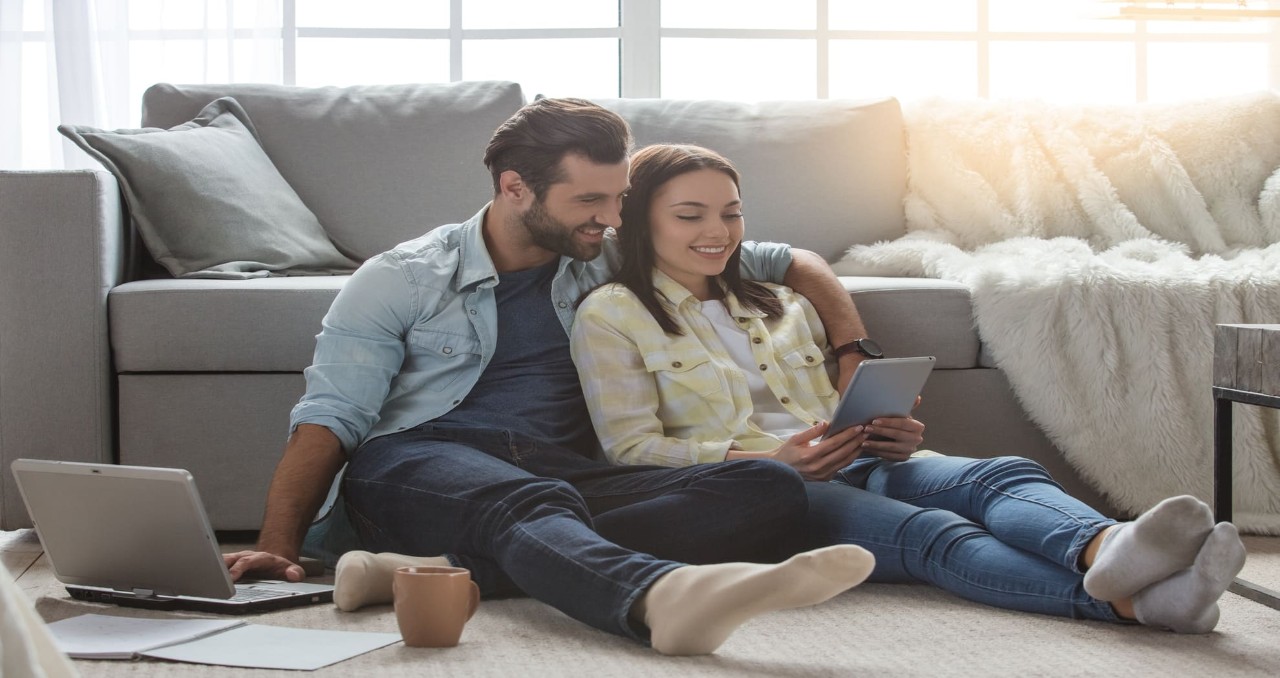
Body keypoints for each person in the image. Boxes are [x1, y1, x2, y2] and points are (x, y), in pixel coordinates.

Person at [221, 99, 881, 656]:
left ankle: (440, 574)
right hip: (414, 464)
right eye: (589, 199)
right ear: (515, 188)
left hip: (555, 471)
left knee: (765, 484)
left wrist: (853, 353)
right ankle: (657, 595)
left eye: (619, 197)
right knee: (532, 504)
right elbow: (329, 419)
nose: (614, 217)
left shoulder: (604, 252)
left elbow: (787, 261)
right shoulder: (403, 278)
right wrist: (277, 550)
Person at [570, 143, 1248, 634]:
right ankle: (1130, 603)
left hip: (856, 457)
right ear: (641, 223)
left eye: (732, 213)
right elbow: (629, 447)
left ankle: (1107, 549)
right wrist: (765, 461)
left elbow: (824, 404)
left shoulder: (776, 301)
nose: (717, 232)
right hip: (767, 488)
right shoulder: (611, 314)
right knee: (933, 536)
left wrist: (878, 426)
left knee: (999, 473)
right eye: (690, 215)